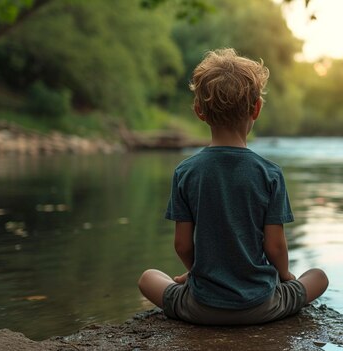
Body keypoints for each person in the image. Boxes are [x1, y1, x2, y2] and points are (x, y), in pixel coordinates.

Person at [137, 48, 328, 325]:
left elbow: (181, 244)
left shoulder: (185, 172)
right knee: (319, 277)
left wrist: (196, 273)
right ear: (257, 109)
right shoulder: (270, 174)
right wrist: (285, 276)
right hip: (263, 306)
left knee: (148, 278)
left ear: (199, 111)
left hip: (200, 307)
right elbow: (274, 247)